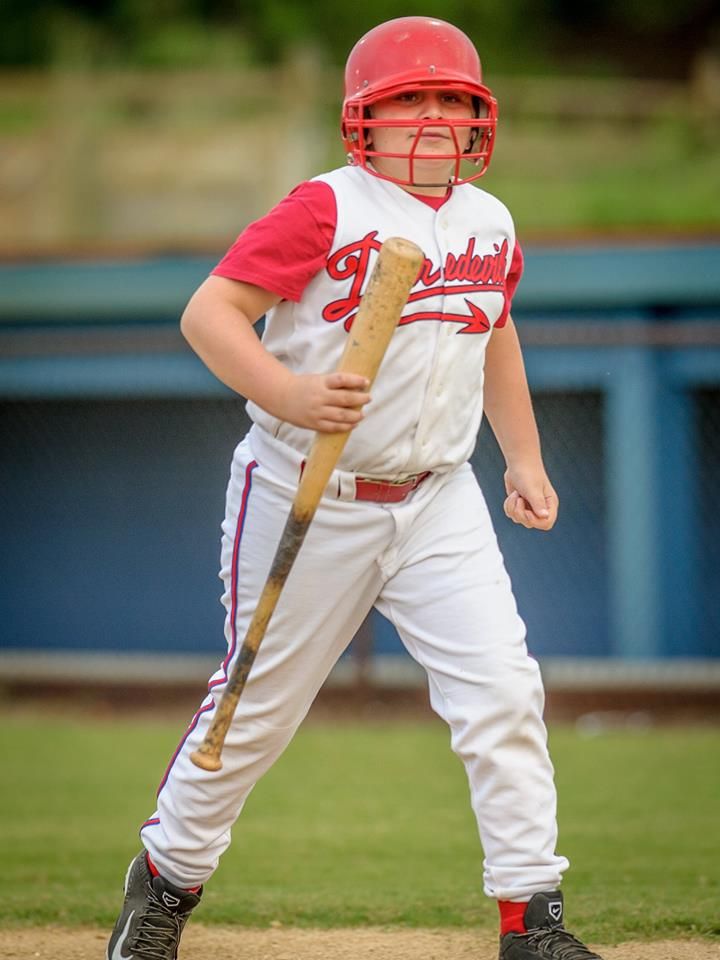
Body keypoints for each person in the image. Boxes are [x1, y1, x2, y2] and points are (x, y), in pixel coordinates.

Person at [107, 16, 603, 960]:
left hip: (437, 496)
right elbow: (208, 312)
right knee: (253, 711)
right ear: (362, 123)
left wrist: (525, 457)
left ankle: (530, 918)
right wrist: (290, 389)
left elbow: (492, 330)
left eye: (450, 100)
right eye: (406, 100)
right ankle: (164, 883)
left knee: (502, 691)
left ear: (477, 121)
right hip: (306, 485)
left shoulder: (488, 220)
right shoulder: (325, 207)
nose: (431, 117)